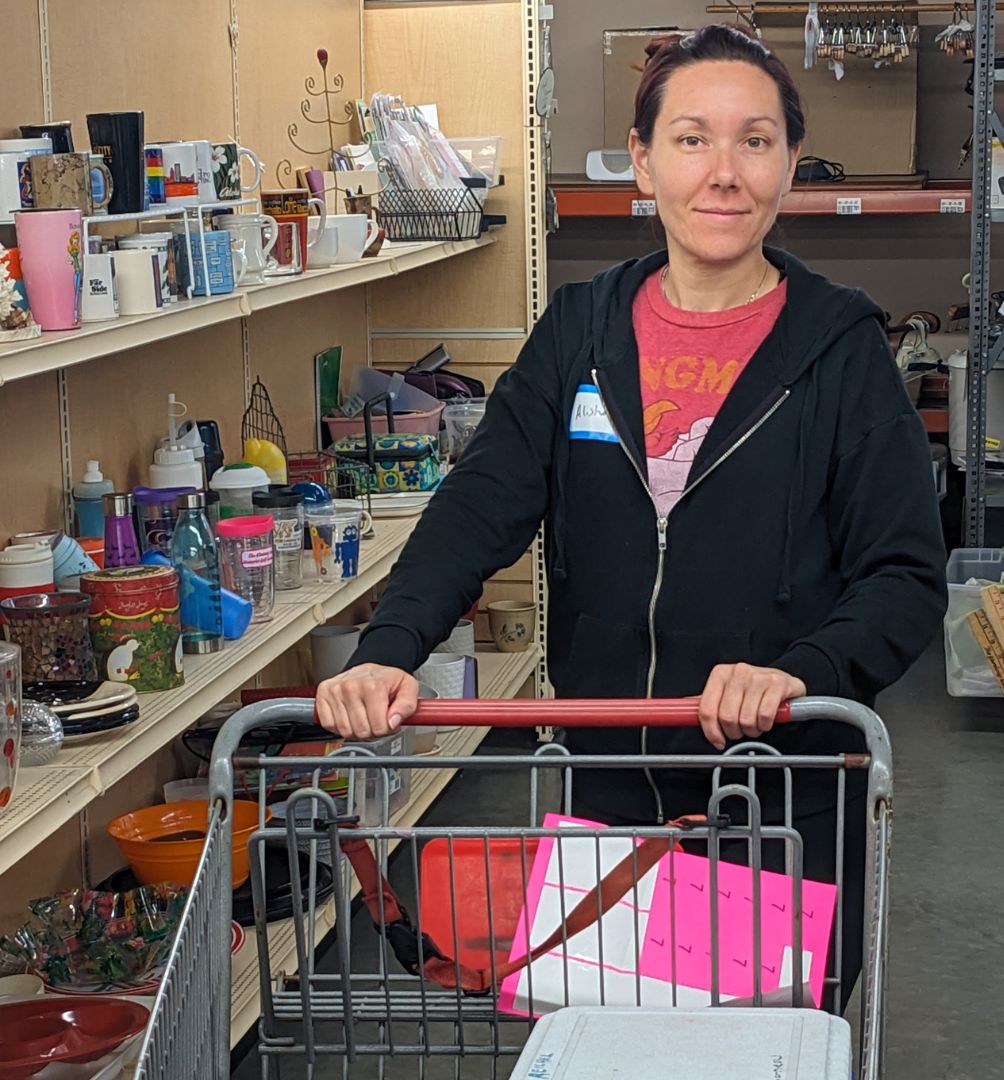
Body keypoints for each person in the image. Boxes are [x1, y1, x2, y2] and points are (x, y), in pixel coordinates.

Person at [315, 24, 947, 1009]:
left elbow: (905, 577)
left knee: (756, 1060)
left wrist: (800, 673)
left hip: (782, 804)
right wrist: (390, 648)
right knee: (615, 1048)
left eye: (757, 139)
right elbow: (482, 502)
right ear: (643, 160)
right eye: (693, 139)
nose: (724, 172)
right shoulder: (582, 330)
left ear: (787, 163)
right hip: (607, 793)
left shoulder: (840, 351)